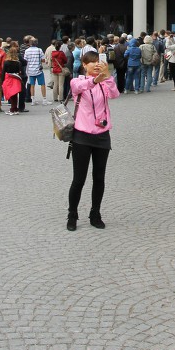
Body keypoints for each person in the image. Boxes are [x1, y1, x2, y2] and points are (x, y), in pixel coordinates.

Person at [67, 52, 119, 230]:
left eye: (98, 62)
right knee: (79, 179)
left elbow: (114, 94)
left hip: (102, 134)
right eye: (92, 63)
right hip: (82, 135)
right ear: (84, 64)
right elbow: (80, 87)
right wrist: (95, 79)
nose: (96, 65)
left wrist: (108, 77)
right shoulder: (77, 81)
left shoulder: (104, 82)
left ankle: (95, 213)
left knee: (99, 177)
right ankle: (72, 214)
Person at [23, 37, 45, 107]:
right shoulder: (39, 50)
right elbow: (43, 60)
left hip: (30, 70)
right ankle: (44, 99)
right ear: (36, 43)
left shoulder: (27, 51)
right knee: (42, 84)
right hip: (38, 70)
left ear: (30, 43)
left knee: (32, 85)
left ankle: (33, 100)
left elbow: (25, 60)